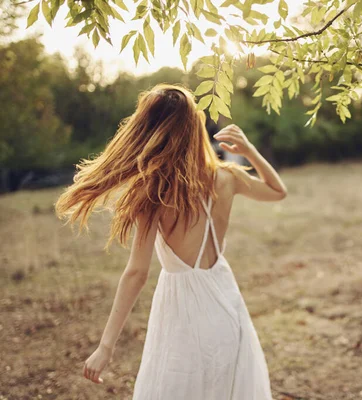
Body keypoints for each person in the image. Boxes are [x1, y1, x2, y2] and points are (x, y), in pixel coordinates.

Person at [55, 83, 287, 399]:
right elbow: (277, 192)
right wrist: (248, 151)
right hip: (226, 307)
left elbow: (137, 273)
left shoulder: (153, 192)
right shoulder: (227, 177)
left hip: (183, 315)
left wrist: (106, 346)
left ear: (149, 131)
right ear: (194, 126)